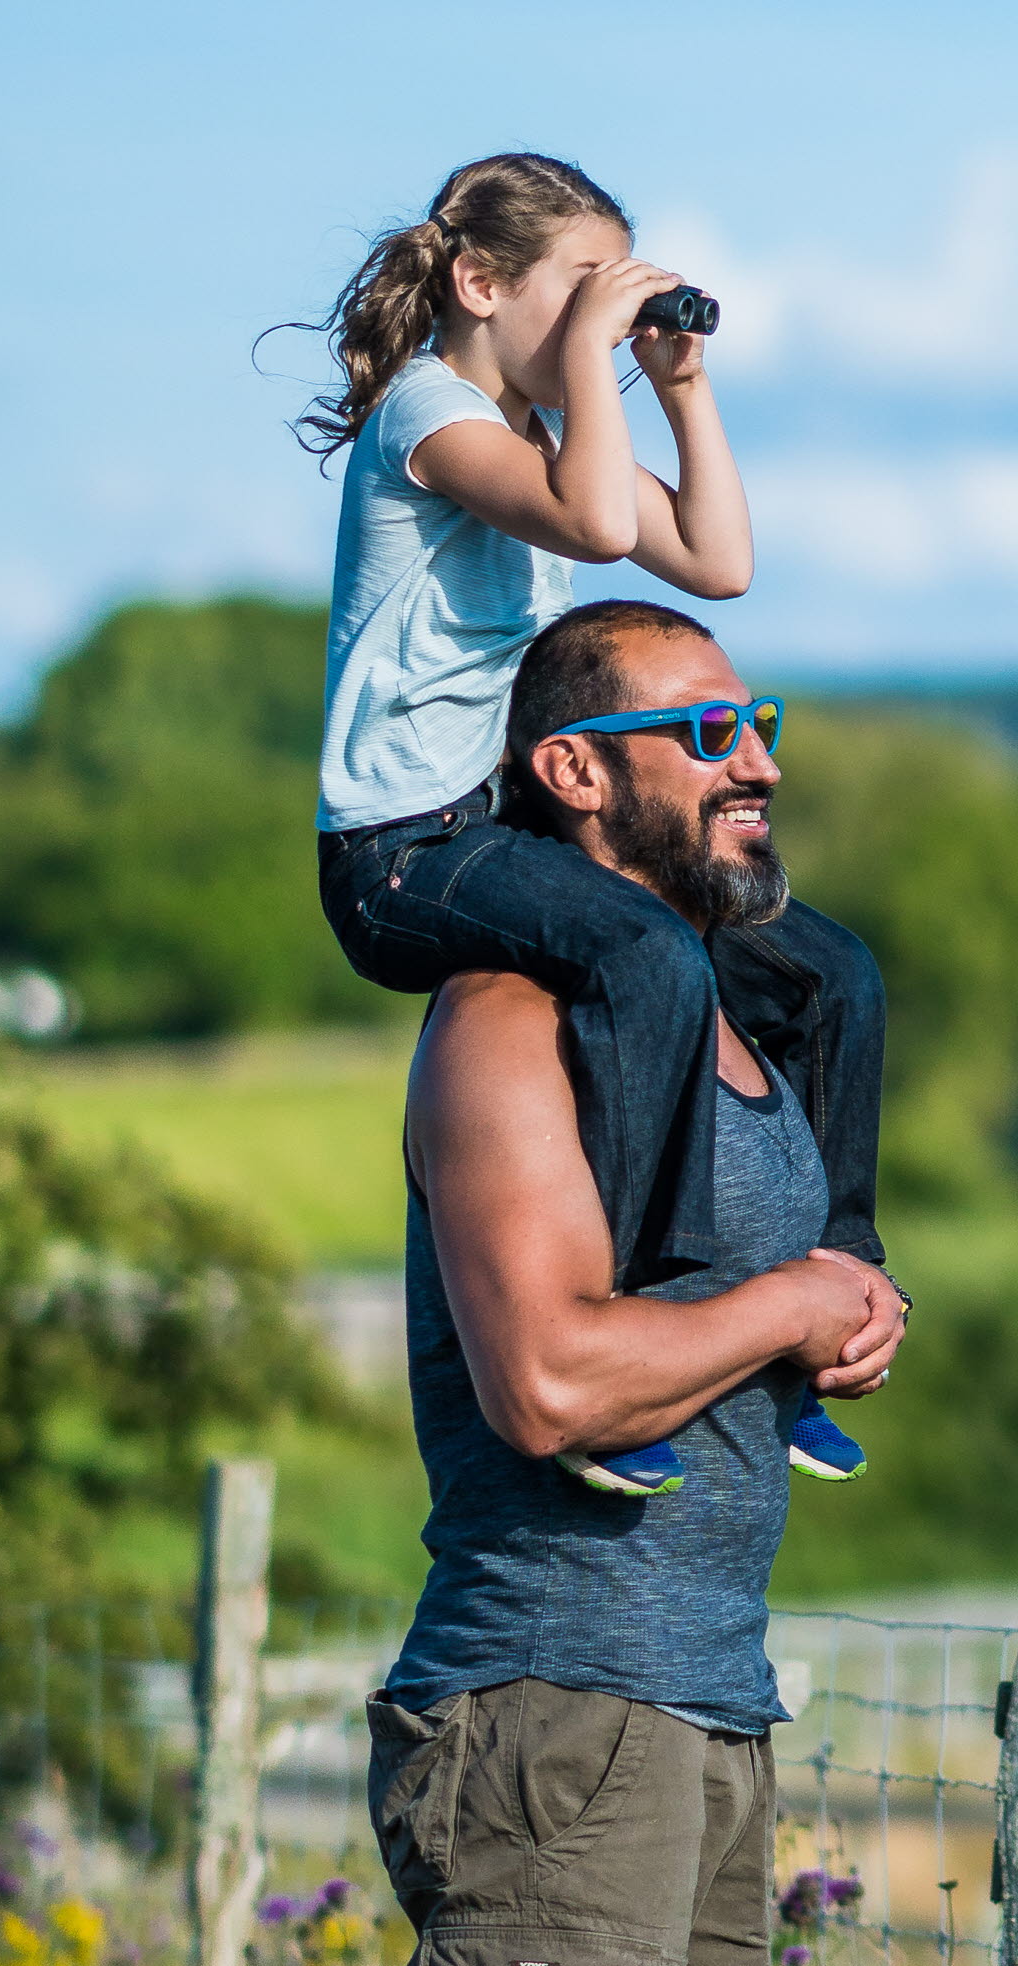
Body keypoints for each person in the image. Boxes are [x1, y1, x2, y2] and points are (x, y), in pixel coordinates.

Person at [366, 601, 905, 1966]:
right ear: (576, 774)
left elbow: (734, 1311)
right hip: (550, 1696)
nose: (756, 758)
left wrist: (834, 1306)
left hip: (693, 1693)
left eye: (761, 721)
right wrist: (784, 1302)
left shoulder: (740, 1024)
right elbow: (554, 1377)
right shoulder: (509, 1019)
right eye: (707, 731)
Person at [301, 151, 879, 1495]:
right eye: (579, 290)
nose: (598, 324)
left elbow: (719, 563)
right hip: (404, 851)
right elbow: (600, 523)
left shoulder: (545, 448)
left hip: (501, 830)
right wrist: (593, 360)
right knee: (643, 953)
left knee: (827, 971)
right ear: (478, 283)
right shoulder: (427, 414)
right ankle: (646, 1307)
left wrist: (681, 386)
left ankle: (839, 1283)